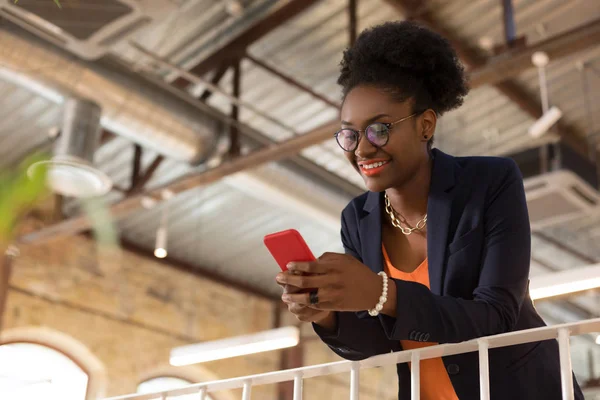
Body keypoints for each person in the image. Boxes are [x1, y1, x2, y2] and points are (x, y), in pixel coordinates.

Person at [275, 21, 583, 400]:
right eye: (350, 134)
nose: (361, 149)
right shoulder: (357, 219)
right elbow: (379, 344)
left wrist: (380, 293)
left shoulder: (490, 182)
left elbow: (496, 316)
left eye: (380, 130)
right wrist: (325, 312)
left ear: (425, 125)